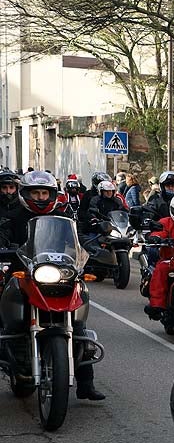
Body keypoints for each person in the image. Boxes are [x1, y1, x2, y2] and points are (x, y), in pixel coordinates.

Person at [7, 171, 105, 400]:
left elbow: (76, 241)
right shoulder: (11, 217)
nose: (41, 198)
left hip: (58, 276)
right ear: (26, 194)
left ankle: (86, 384)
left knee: (77, 323)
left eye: (44, 193)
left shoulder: (63, 218)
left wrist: (90, 250)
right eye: (36, 193)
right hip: (23, 275)